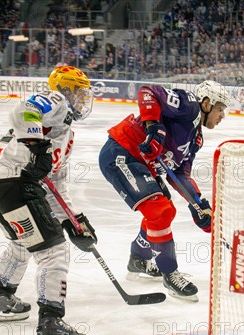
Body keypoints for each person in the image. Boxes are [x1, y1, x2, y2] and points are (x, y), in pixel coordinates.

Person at [0, 66, 96, 335]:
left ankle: (2, 299)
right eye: (78, 92)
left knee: (22, 243)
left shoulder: (65, 133)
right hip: (14, 181)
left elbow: (55, 181)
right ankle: (51, 326)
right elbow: (23, 110)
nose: (82, 99)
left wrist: (73, 220)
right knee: (54, 251)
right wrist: (38, 145)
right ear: (65, 89)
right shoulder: (54, 101)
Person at [98, 80, 233, 302]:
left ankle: (139, 259)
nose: (222, 116)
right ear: (207, 104)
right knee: (159, 210)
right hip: (122, 151)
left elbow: (180, 174)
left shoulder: (195, 139)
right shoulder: (188, 106)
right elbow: (149, 92)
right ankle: (169, 273)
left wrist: (198, 204)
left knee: (165, 208)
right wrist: (154, 128)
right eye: (220, 109)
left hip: (141, 164)